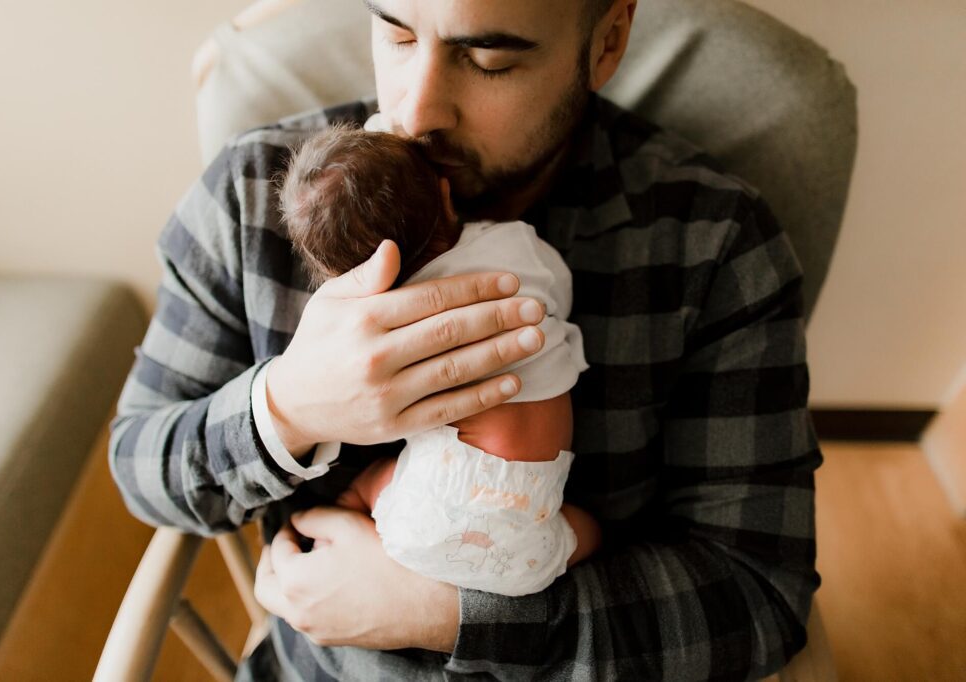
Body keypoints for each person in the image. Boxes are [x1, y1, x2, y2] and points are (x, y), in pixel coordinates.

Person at [110, 0, 822, 679]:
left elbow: (758, 595)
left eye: (487, 60)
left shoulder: (712, 242)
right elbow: (144, 463)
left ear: (606, 42)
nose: (417, 111)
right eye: (395, 33)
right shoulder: (252, 198)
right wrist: (288, 408)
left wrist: (449, 615)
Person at [277, 123, 601, 595]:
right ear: (446, 196)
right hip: (533, 528)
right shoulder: (515, 246)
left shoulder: (383, 327)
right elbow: (560, 288)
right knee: (595, 532)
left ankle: (341, 510)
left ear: (343, 277)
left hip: (421, 525)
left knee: (373, 481)